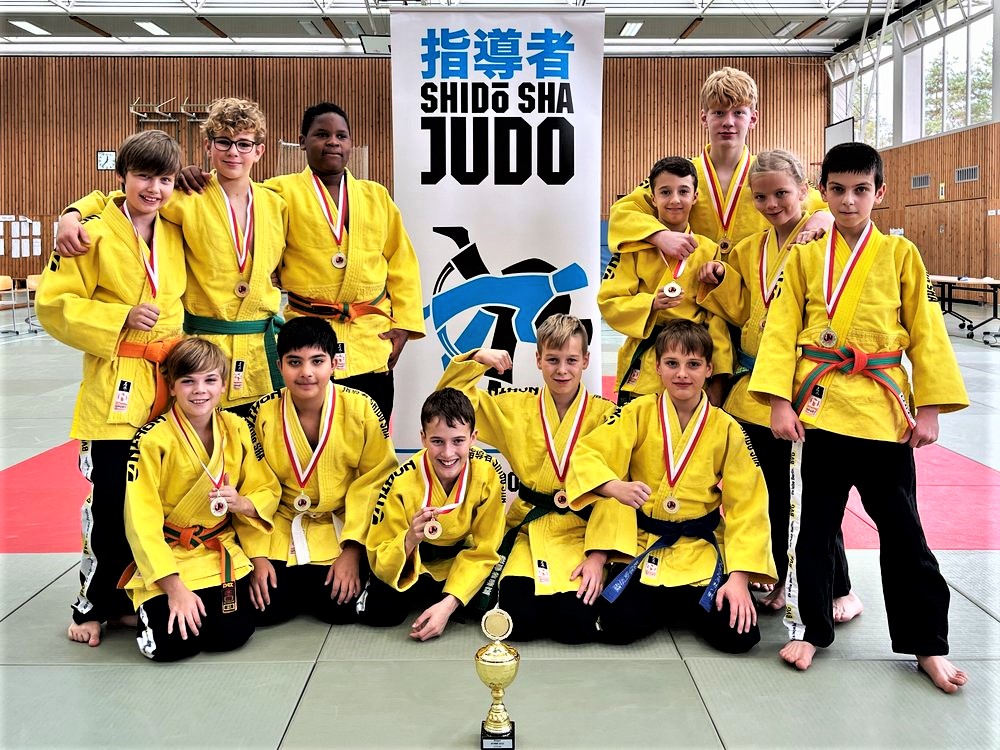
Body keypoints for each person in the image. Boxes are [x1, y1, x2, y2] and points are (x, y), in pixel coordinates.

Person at [748, 142, 969, 693]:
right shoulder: (805, 257)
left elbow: (927, 332)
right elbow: (781, 331)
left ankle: (927, 643)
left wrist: (931, 408)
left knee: (904, 533)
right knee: (814, 532)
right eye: (839, 189)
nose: (849, 201)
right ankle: (811, 628)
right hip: (820, 411)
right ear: (822, 191)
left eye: (861, 190)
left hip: (883, 414)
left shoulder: (901, 254)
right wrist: (778, 401)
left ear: (880, 192)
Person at [176, 102, 425, 420]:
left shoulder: (376, 196)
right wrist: (190, 177)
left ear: (351, 143)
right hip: (306, 340)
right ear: (303, 142)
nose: (332, 142)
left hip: (369, 338)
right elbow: (234, 204)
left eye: (341, 136)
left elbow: (403, 264)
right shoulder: (279, 193)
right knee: (304, 433)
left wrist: (404, 325)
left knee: (371, 429)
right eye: (321, 134)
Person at [35, 130, 186, 647]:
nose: (154, 189)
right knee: (110, 505)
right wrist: (119, 316)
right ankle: (91, 605)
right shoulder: (91, 233)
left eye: (164, 179)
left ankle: (130, 596)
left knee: (155, 502)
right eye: (143, 176)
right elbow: (52, 305)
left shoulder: (175, 227)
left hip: (169, 384)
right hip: (116, 385)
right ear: (122, 177)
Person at [696, 149, 862, 620]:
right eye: (761, 197)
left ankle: (839, 588)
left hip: (806, 386)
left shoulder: (826, 237)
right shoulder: (750, 248)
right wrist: (720, 277)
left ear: (805, 191)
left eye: (782, 194)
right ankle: (779, 576)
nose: (771, 205)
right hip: (757, 388)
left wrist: (825, 220)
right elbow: (739, 311)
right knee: (764, 491)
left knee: (813, 495)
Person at [55, 98, 288, 416]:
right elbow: (125, 198)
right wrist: (72, 214)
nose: (233, 152)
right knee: (202, 441)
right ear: (208, 146)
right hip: (203, 353)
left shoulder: (277, 205)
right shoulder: (184, 196)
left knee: (258, 440)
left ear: (259, 151)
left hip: (262, 351)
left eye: (244, 144)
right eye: (223, 141)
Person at [566, 320, 776, 652]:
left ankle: (680, 602)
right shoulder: (636, 412)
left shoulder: (727, 428)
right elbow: (588, 453)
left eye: (693, 364)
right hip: (647, 542)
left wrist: (739, 578)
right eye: (672, 363)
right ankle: (677, 605)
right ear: (657, 367)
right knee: (617, 627)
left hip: (699, 547)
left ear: (709, 369)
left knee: (739, 637)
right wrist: (612, 486)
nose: (682, 374)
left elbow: (748, 504)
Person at [436, 314, 630, 644]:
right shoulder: (516, 408)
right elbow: (450, 406)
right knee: (518, 624)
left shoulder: (606, 416)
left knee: (574, 628)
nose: (562, 370)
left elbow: (617, 489)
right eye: (552, 360)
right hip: (530, 529)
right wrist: (475, 360)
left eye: (571, 360)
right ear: (538, 359)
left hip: (580, 532)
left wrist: (599, 557)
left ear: (586, 360)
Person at [121, 338, 280, 661]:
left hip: (218, 549)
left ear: (223, 385)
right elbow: (141, 521)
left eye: (210, 380)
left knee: (230, 635)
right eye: (188, 381)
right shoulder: (152, 439)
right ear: (172, 386)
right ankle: (143, 610)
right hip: (170, 555)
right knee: (172, 646)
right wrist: (175, 589)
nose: (200, 391)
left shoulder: (236, 427)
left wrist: (242, 504)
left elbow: (265, 488)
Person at [243, 317, 398, 625]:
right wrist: (257, 556)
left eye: (317, 361)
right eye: (294, 362)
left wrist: (353, 550)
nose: (306, 372)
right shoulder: (263, 413)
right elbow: (251, 484)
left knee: (339, 609)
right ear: (279, 365)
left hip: (341, 525)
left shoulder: (361, 408)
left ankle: (324, 578)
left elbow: (377, 481)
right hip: (283, 524)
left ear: (334, 364)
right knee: (266, 610)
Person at [608, 67, 830, 265]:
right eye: (719, 113)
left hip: (754, 285)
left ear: (753, 119)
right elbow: (622, 212)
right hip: (693, 285)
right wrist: (659, 235)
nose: (728, 122)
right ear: (704, 118)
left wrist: (823, 217)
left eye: (738, 113)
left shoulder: (769, 174)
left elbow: (827, 204)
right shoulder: (682, 174)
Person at [363, 388, 505, 641]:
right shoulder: (402, 480)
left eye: (458, 441)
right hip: (416, 560)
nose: (448, 453)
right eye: (437, 441)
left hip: (458, 561)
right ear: (423, 438)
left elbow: (485, 549)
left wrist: (448, 604)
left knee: (493, 598)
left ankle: (444, 602)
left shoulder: (487, 473)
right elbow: (380, 547)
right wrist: (410, 538)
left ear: (473, 437)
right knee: (381, 612)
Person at [599, 156, 731, 406]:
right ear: (653, 198)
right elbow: (609, 301)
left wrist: (719, 377)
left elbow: (717, 319)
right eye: (665, 192)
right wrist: (651, 304)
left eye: (683, 191)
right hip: (647, 365)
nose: (674, 200)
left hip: (692, 365)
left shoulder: (709, 250)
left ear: (695, 197)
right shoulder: (634, 248)